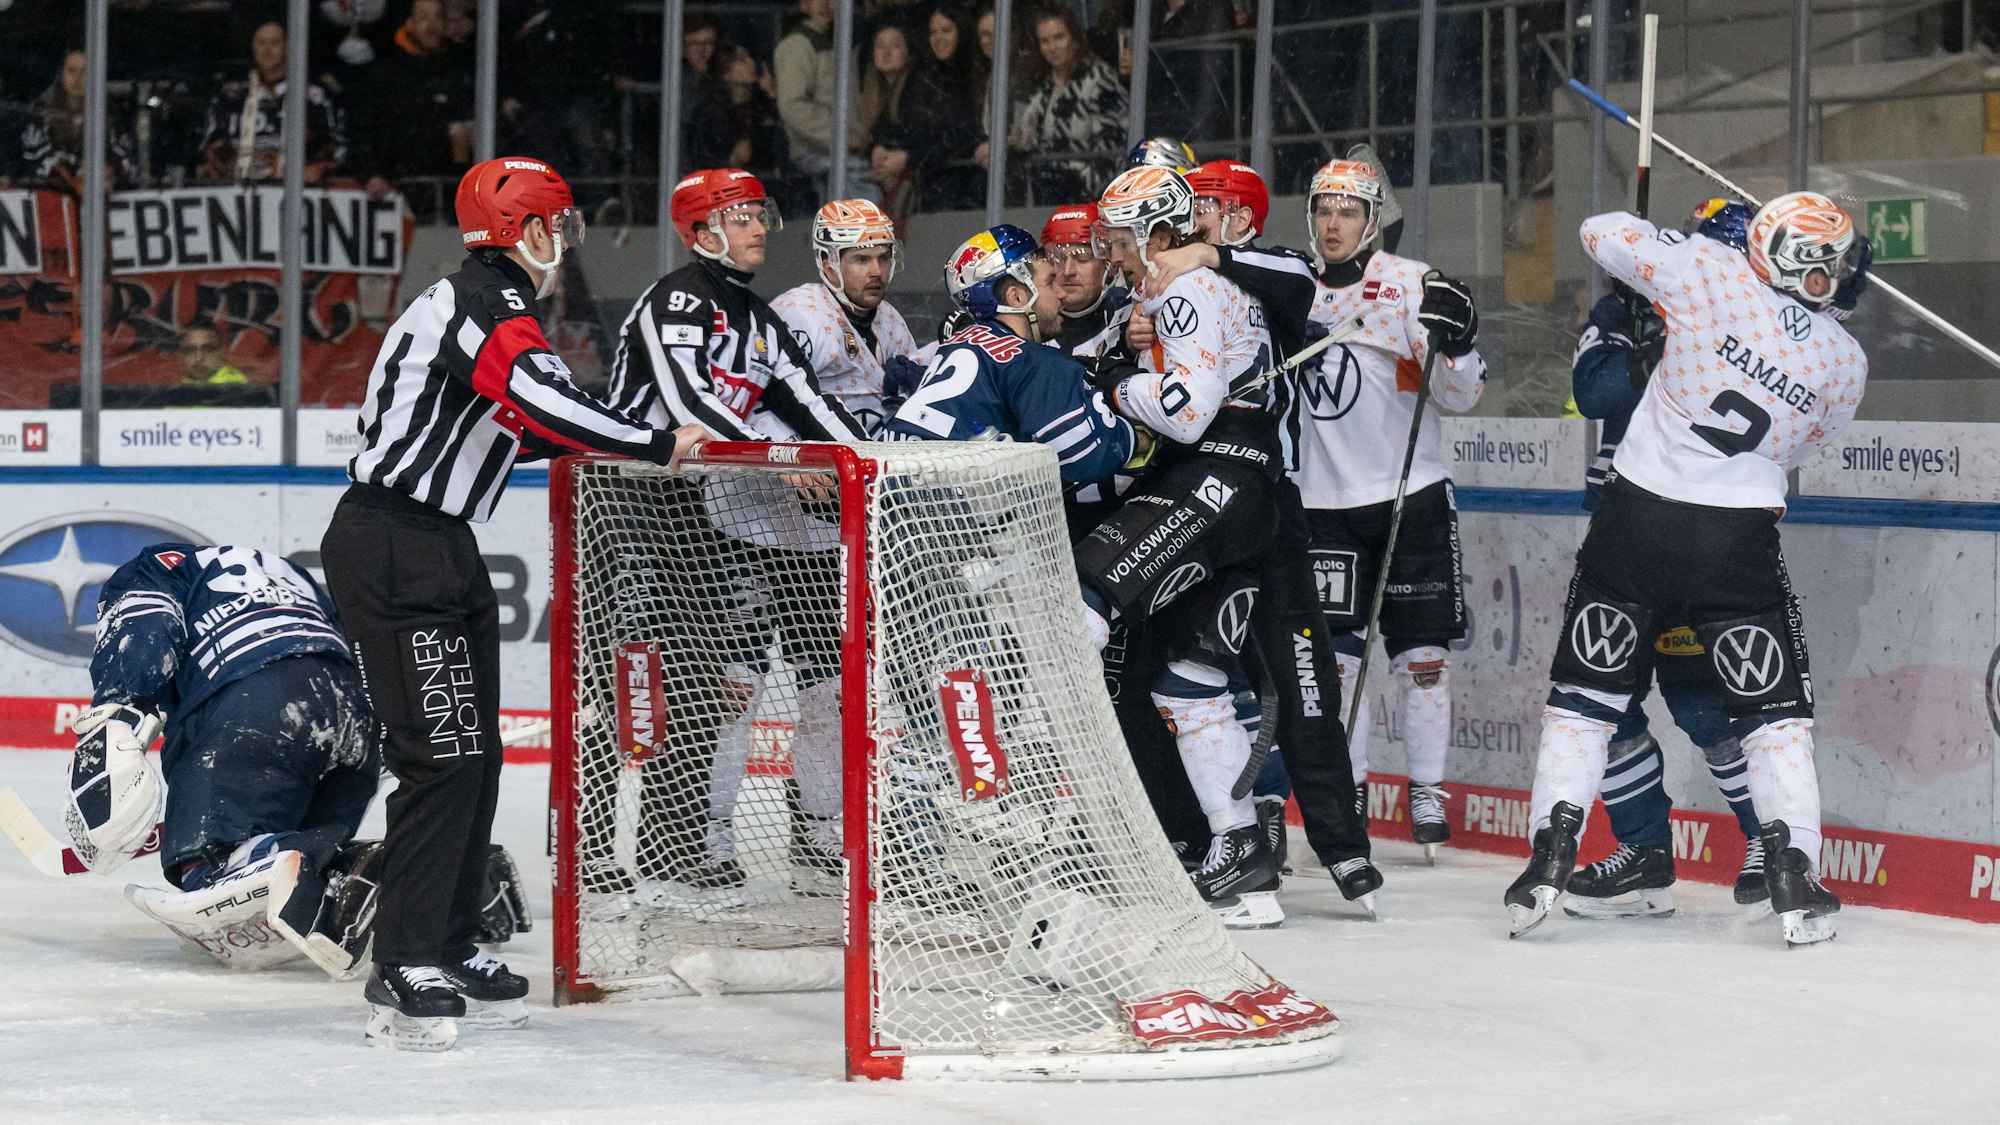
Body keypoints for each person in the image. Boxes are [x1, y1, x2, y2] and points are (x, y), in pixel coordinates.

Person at [320, 156, 708, 1052]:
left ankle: (448, 942)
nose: (565, 242)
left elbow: (533, 422)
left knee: (478, 755)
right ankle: (403, 957)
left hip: (439, 544)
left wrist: (627, 429)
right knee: (441, 757)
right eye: (559, 224)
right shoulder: (484, 300)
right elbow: (542, 401)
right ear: (529, 230)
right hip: (395, 542)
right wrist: (657, 442)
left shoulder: (489, 306)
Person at [1504, 191, 1869, 946]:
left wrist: (1668, 264)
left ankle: (1548, 852)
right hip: (1737, 542)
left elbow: (1598, 230)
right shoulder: (1845, 358)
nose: (1833, 274)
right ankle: (1793, 871)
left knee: (1584, 704)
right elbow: (1802, 446)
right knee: (1775, 718)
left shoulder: (1706, 270)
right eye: (1826, 261)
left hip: (1633, 524)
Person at [1142, 159, 1488, 862]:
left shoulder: (1408, 282)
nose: (1333, 224)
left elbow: (1458, 394)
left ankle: (1426, 789)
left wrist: (1460, 343)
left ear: (1373, 220)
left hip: (1411, 493)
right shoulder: (1277, 279)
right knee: (1335, 666)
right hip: (1322, 501)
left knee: (1423, 658)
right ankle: (1350, 794)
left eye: (1348, 212)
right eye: (1324, 210)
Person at [1074, 165, 1374, 925]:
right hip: (1241, 489)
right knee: (1184, 676)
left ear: (1157, 232)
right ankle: (1241, 855)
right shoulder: (1172, 290)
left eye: (1119, 240)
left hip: (1222, 478)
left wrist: (1115, 385)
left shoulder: (1190, 287)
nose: (1110, 254)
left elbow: (1186, 409)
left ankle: (1046, 822)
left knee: (1081, 603)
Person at [598, 169, 866, 895]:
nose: (759, 229)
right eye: (741, 217)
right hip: (630, 502)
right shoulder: (678, 299)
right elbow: (689, 401)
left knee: (709, 679)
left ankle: (686, 843)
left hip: (699, 504)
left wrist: (871, 464)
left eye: (759, 215)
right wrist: (776, 459)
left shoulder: (758, 317)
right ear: (701, 231)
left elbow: (810, 403)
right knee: (629, 678)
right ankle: (592, 848)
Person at [67, 544, 383, 979]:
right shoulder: (292, 575)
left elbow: (144, 628)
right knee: (291, 858)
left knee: (209, 860)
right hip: (357, 715)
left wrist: (118, 712)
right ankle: (409, 879)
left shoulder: (156, 568)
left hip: (261, 703)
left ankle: (327, 864)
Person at [887, 223, 1132, 483]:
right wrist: (1134, 436)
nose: (1061, 293)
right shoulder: (1034, 361)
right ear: (1016, 298)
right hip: (934, 498)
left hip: (884, 482)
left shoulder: (954, 344)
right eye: (1050, 281)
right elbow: (1084, 459)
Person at [771, 199, 921, 438]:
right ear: (829, 265)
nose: (876, 271)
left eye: (883, 258)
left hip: (881, 449)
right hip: (820, 454)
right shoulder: (801, 314)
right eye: (862, 260)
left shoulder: (890, 318)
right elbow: (771, 401)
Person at [348, 0, 474, 208]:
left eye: (437, 17)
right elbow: (360, 132)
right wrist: (371, 174)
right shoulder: (384, 74)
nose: (431, 25)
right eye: (423, 18)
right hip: (395, 195)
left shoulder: (461, 68)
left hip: (453, 196)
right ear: (409, 23)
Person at [198, 21, 345, 184]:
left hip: (297, 187)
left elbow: (334, 147)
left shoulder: (315, 95)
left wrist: (314, 168)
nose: (267, 50)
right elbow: (212, 142)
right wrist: (238, 164)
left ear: (288, 47)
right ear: (253, 48)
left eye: (274, 43)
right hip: (238, 185)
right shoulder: (229, 95)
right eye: (261, 43)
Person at [1011, 6, 1126, 204]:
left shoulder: (1100, 80)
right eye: (1044, 41)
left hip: (1086, 202)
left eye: (1058, 37)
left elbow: (1114, 151)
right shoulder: (1043, 86)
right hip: (1043, 197)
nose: (1052, 47)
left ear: (1075, 38)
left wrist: (1082, 189)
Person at [774, 0, 876, 203]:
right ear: (804, 5)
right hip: (816, 153)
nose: (824, 4)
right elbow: (793, 106)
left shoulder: (841, 41)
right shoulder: (797, 45)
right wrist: (843, 138)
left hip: (847, 151)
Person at [18, 48, 138, 194]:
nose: (77, 78)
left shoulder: (114, 115)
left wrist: (111, 171)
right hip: (50, 199)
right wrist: (73, 183)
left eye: (85, 71)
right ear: (61, 74)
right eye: (71, 71)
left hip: (105, 200)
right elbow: (36, 161)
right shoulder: (40, 113)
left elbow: (126, 158)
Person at [904, 3, 985, 211]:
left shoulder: (980, 73)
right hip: (936, 185)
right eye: (933, 32)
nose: (938, 38)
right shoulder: (924, 79)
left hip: (977, 179)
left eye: (946, 30)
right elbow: (916, 134)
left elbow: (969, 131)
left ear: (962, 32)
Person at [1040, 202, 1129, 358]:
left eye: (1082, 258)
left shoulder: (1131, 316)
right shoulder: (1030, 321)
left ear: (1110, 264)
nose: (1068, 271)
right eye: (1058, 259)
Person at [859, 25, 918, 215]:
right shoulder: (870, 95)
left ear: (908, 54)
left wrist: (905, 157)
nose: (886, 52)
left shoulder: (917, 88)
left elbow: (925, 136)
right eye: (880, 46)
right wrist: (875, 151)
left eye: (895, 46)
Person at [175, 325, 250, 388]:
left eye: (208, 349)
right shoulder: (182, 387)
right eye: (190, 350)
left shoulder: (235, 387)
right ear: (181, 356)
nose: (199, 358)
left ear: (221, 352)